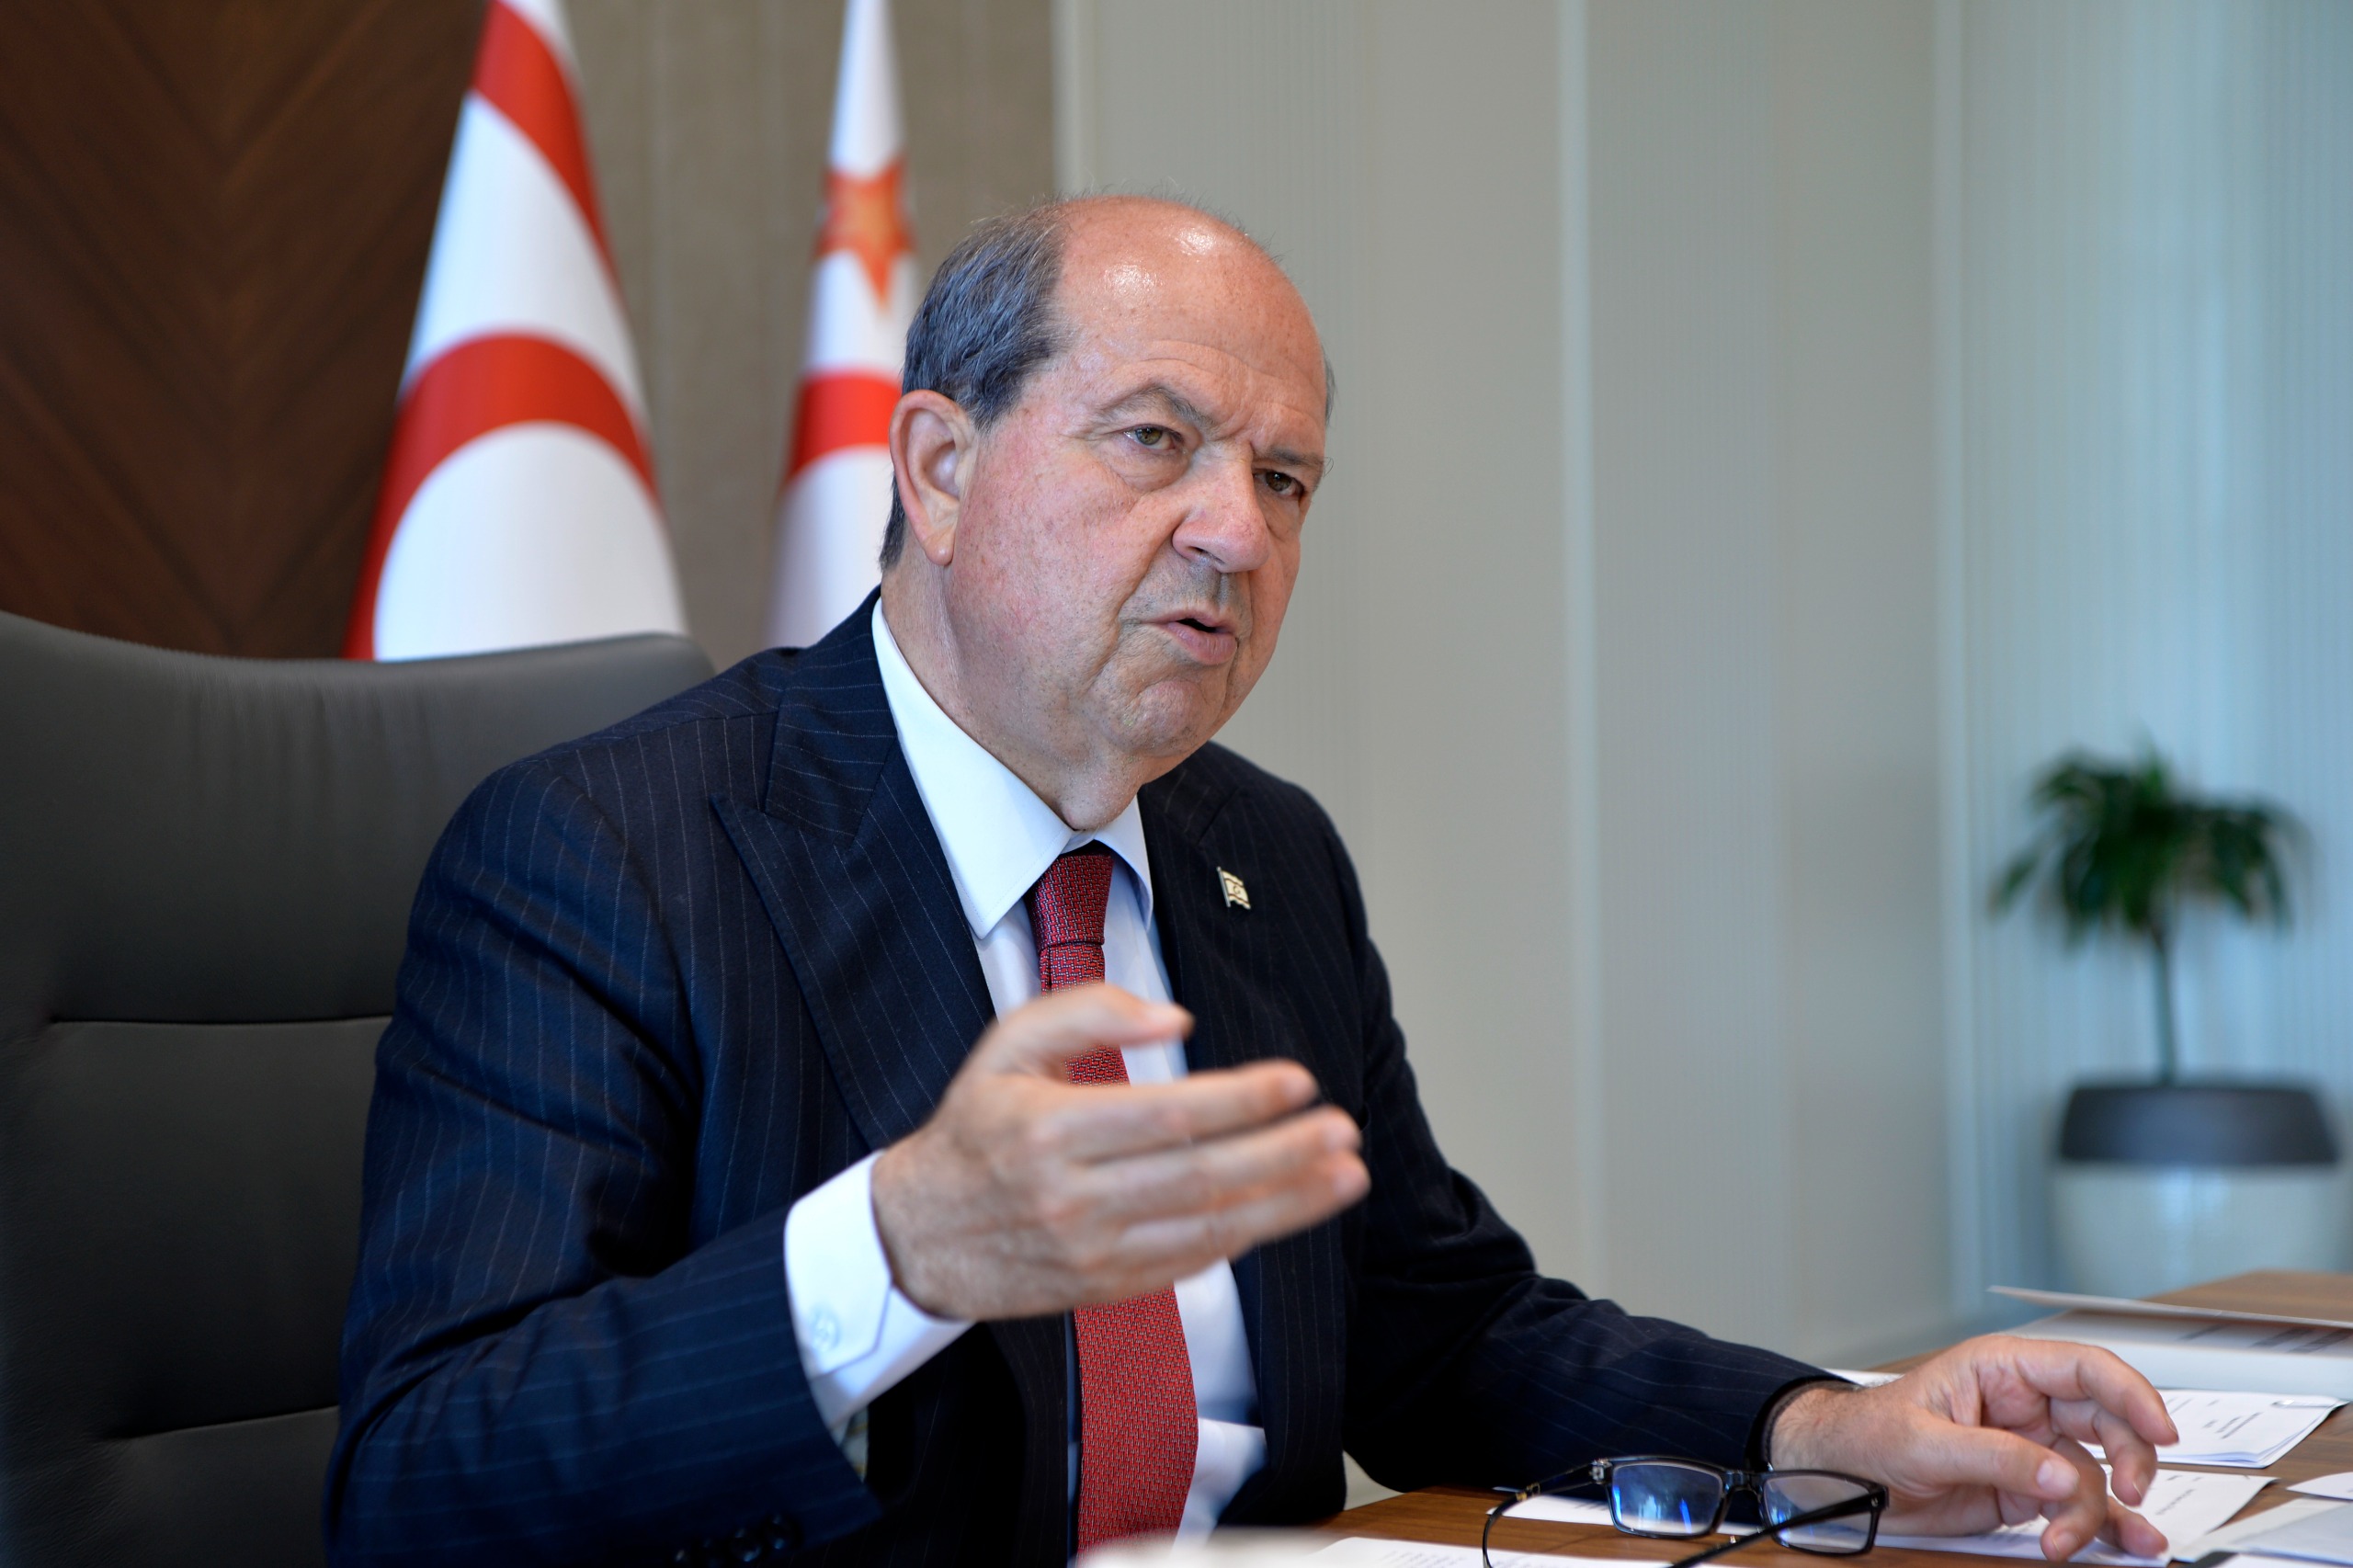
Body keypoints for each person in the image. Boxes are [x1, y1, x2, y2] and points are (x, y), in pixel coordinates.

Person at [327, 196, 2178, 1567]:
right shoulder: (608, 849)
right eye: (1156, 440)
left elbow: (1435, 1327)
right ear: (939, 468)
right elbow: (418, 1476)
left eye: (1285, 480)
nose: (1234, 530)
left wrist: (1816, 1427)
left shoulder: (1258, 852)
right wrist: (892, 1256)